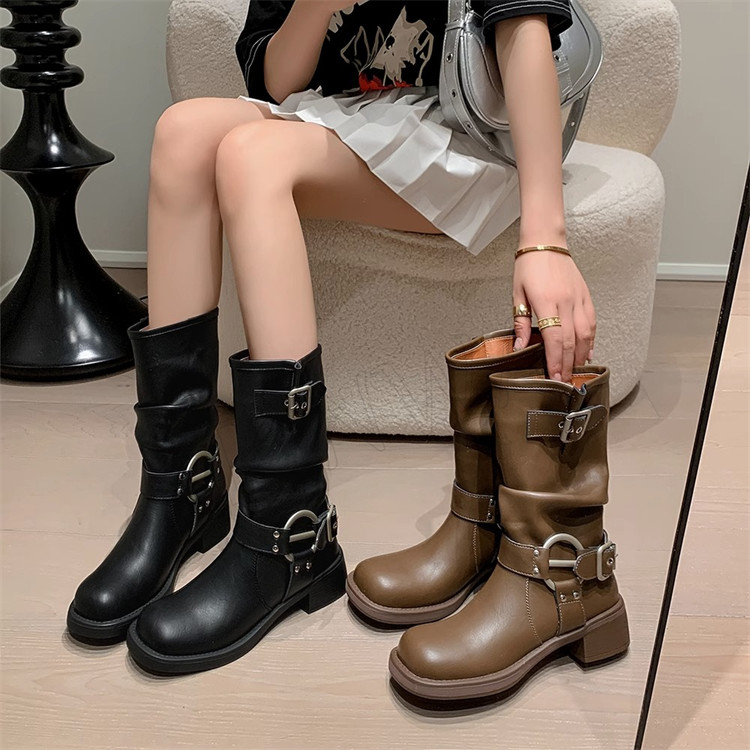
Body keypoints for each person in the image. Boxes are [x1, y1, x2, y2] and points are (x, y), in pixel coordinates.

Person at [67, 0, 627, 691]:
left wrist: (546, 239)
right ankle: (182, 489)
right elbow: (276, 83)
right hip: (347, 116)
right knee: (182, 133)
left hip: (469, 125)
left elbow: (524, 25)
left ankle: (289, 531)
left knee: (249, 156)